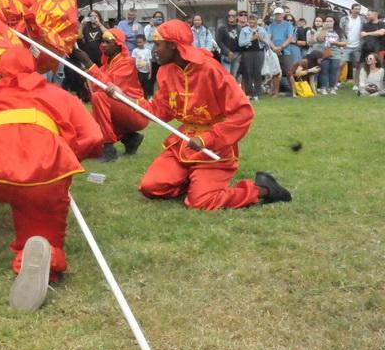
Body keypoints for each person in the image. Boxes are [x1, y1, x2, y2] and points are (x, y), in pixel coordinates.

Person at [0, 47, 102, 311]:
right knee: (44, 229)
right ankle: (43, 258)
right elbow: (94, 137)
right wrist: (65, 162)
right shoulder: (61, 96)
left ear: (0, 72)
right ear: (34, 69)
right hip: (43, 176)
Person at [107, 19, 291, 210]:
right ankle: (194, 183)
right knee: (150, 187)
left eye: (158, 44)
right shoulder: (165, 71)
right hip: (183, 143)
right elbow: (160, 110)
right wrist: (124, 98)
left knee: (201, 202)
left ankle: (262, 190)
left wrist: (206, 139)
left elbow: (243, 112)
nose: (154, 49)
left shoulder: (210, 69)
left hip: (213, 149)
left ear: (173, 45)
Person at [74, 28, 148, 161]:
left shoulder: (128, 62)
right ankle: (130, 138)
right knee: (92, 117)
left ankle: (108, 149)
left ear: (118, 45)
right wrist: (86, 79)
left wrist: (88, 63)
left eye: (107, 42)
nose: (103, 45)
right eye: (102, 41)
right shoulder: (105, 66)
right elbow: (97, 88)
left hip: (137, 112)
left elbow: (110, 88)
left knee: (99, 98)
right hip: (124, 112)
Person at [266, 8, 295, 97]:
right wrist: (274, 48)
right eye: (276, 14)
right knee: (276, 73)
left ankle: (294, 93)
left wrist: (281, 47)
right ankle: (276, 93)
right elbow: (268, 38)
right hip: (274, 51)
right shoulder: (271, 26)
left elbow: (290, 38)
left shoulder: (288, 25)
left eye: (279, 14)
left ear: (283, 15)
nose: (278, 15)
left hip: (286, 51)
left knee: (289, 72)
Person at [237, 14, 267, 101]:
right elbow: (240, 43)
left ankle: (257, 93)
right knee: (248, 73)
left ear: (257, 20)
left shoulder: (262, 30)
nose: (251, 22)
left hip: (259, 52)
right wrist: (251, 39)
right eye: (250, 20)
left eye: (253, 20)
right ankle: (249, 93)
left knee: (257, 72)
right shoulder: (244, 30)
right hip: (247, 53)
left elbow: (267, 42)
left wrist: (260, 38)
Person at [317, 16, 345, 94]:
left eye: (330, 21)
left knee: (333, 71)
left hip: (336, 53)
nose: (329, 23)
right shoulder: (321, 29)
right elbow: (319, 39)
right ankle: (323, 88)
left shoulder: (339, 31)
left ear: (334, 22)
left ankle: (332, 88)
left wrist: (336, 43)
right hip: (324, 52)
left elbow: (344, 43)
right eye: (327, 21)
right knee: (324, 71)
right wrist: (323, 29)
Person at [339, 3, 365, 84]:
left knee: (358, 65)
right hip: (346, 45)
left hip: (358, 46)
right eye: (356, 9)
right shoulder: (345, 19)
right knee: (341, 64)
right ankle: (336, 82)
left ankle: (356, 84)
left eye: (359, 9)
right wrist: (342, 43)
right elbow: (340, 31)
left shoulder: (362, 19)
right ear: (351, 10)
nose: (357, 11)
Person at [215, 10, 241, 80]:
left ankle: (233, 91)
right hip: (226, 56)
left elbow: (242, 42)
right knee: (227, 77)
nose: (231, 17)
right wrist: (227, 52)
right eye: (229, 15)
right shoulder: (222, 28)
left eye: (233, 15)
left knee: (234, 76)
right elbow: (219, 41)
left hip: (237, 56)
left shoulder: (240, 28)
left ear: (236, 17)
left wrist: (241, 54)